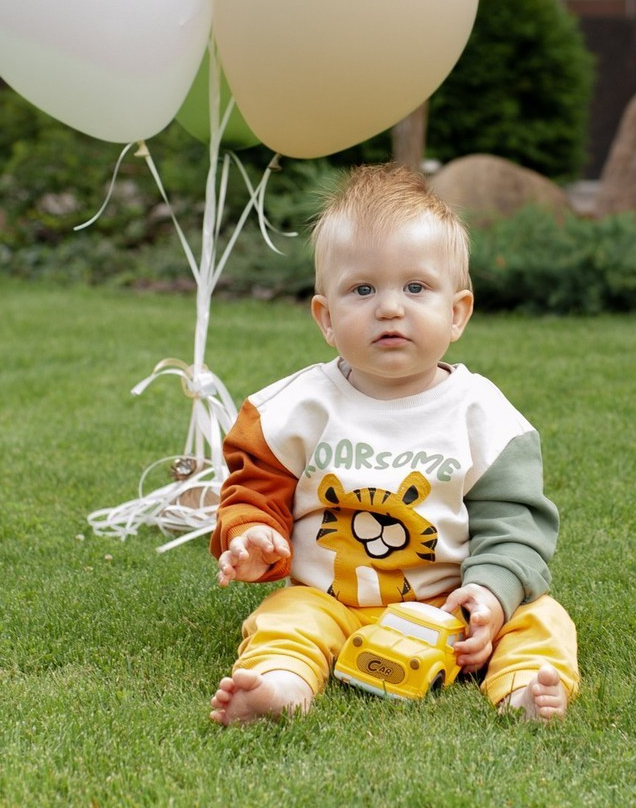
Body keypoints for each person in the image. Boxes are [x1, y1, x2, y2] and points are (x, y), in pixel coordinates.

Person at [209, 163, 579, 726]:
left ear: (457, 313)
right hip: (330, 601)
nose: (389, 307)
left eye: (415, 287)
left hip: (446, 611)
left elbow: (516, 526)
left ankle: (527, 689)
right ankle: (279, 688)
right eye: (362, 289)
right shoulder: (293, 410)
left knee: (542, 616)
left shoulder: (485, 417)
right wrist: (254, 533)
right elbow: (253, 490)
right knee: (286, 617)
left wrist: (490, 596)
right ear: (326, 318)